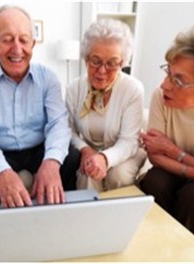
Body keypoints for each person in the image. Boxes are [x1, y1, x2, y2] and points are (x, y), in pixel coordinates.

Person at [0, 5, 80, 209]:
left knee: (70, 157)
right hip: (0, 148)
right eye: (8, 39)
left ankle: (62, 215)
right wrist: (2, 172)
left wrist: (51, 162)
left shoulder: (49, 78)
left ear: (33, 43)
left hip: (38, 148)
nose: (17, 49)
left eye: (24, 40)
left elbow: (58, 125)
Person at [66, 19, 146, 192]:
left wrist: (104, 157)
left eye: (111, 63)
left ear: (122, 63)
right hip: (89, 150)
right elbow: (68, 131)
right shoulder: (74, 88)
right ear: (86, 59)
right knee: (88, 172)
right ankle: (89, 217)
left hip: (125, 151)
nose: (102, 71)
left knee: (119, 175)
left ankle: (121, 218)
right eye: (96, 61)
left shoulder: (133, 89)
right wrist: (85, 149)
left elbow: (129, 140)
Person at [140, 24, 194, 239]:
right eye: (168, 72)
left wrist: (173, 151)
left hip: (193, 183)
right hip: (171, 171)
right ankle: (153, 242)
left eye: (178, 81)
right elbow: (154, 155)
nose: (165, 85)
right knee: (154, 180)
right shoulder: (160, 97)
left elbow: (164, 150)